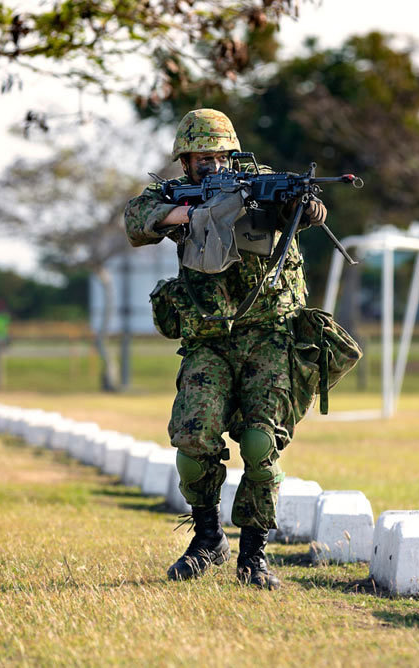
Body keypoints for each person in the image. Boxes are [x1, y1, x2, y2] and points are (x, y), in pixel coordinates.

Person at [123, 108, 328, 588]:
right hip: (208, 339)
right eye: (200, 158)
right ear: (185, 162)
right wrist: (188, 215)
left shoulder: (258, 182)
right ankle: (208, 539)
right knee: (193, 440)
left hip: (269, 334)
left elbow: (291, 207)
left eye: (219, 156)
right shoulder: (175, 193)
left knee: (260, 444)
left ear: (232, 154)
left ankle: (254, 554)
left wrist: (303, 208)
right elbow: (135, 218)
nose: (211, 166)